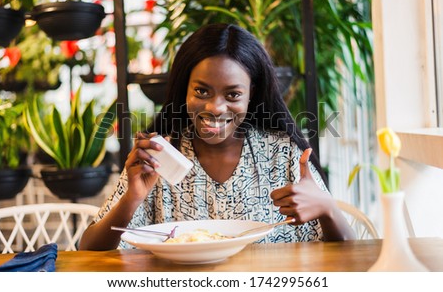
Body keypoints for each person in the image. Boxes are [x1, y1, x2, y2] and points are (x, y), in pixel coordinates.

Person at [79, 23, 355, 250]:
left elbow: (350, 253)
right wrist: (132, 198)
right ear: (184, 88)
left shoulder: (281, 153)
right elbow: (87, 250)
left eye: (233, 94)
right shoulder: (161, 157)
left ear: (252, 94)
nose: (215, 107)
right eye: (201, 91)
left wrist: (327, 208)